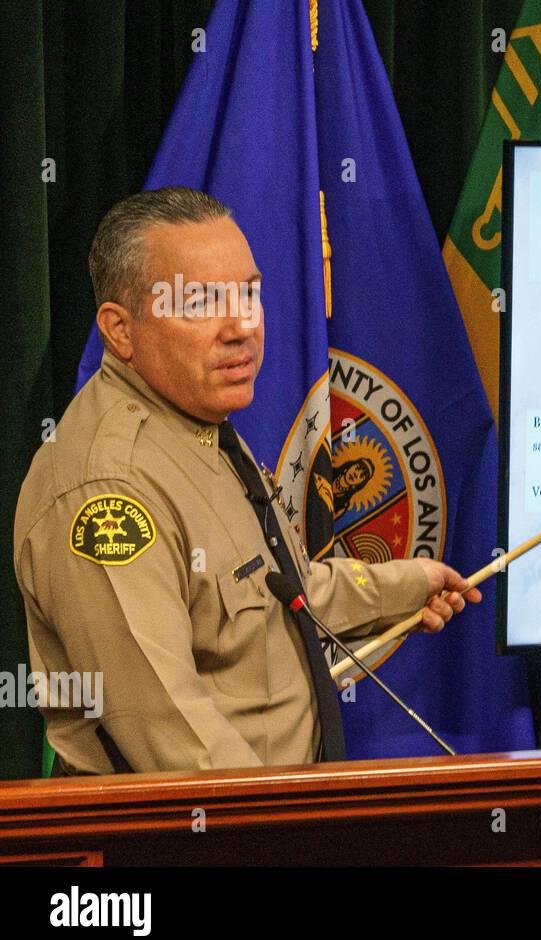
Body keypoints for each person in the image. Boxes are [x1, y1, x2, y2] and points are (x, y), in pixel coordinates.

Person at [12, 187, 480, 775]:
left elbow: (279, 595)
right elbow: (175, 737)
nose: (241, 327)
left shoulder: (191, 424)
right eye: (201, 302)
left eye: (249, 294)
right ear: (120, 330)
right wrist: (295, 833)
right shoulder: (108, 490)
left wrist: (407, 585)